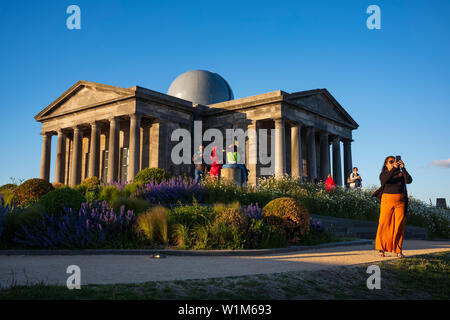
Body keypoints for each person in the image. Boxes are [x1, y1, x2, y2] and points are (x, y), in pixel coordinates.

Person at [375, 156, 413, 258]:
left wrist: (403, 168)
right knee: (384, 223)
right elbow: (385, 181)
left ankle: (398, 250)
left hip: (400, 202)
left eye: (394, 161)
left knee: (399, 226)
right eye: (391, 162)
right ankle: (381, 249)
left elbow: (409, 180)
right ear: (386, 164)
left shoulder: (400, 174)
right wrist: (394, 169)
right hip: (387, 200)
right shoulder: (384, 174)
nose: (393, 163)